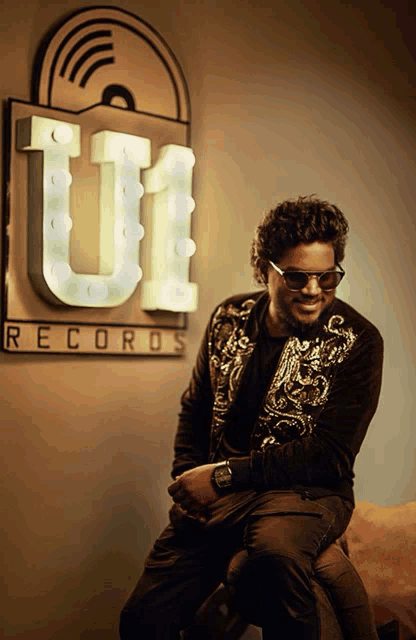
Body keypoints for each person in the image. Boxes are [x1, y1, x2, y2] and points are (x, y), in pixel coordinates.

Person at [119, 195, 383, 639]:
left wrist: (222, 476)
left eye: (328, 277)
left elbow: (329, 455)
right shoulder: (228, 318)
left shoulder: (358, 340)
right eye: (297, 277)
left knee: (274, 556)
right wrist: (190, 479)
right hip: (222, 494)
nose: (314, 290)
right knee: (143, 620)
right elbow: (196, 407)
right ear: (264, 271)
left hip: (307, 493)